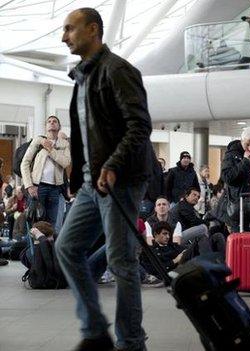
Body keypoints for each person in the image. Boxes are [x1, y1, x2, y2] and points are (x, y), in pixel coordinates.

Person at [55, 7, 154, 351]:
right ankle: (96, 330)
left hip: (121, 180)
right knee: (66, 247)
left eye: (69, 29)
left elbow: (139, 125)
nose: (63, 36)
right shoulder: (82, 77)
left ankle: (131, 341)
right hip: (89, 184)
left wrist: (112, 164)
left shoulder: (118, 71)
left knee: (121, 260)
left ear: (93, 29)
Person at [20, 115, 71, 229]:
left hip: (55, 189)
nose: (52, 123)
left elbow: (65, 162)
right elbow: (25, 163)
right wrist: (29, 185)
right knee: (35, 223)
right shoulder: (38, 141)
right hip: (37, 187)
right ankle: (35, 247)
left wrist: (51, 150)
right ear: (45, 126)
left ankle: (47, 247)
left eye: (55, 121)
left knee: (51, 225)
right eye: (49, 121)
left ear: (59, 127)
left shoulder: (64, 144)